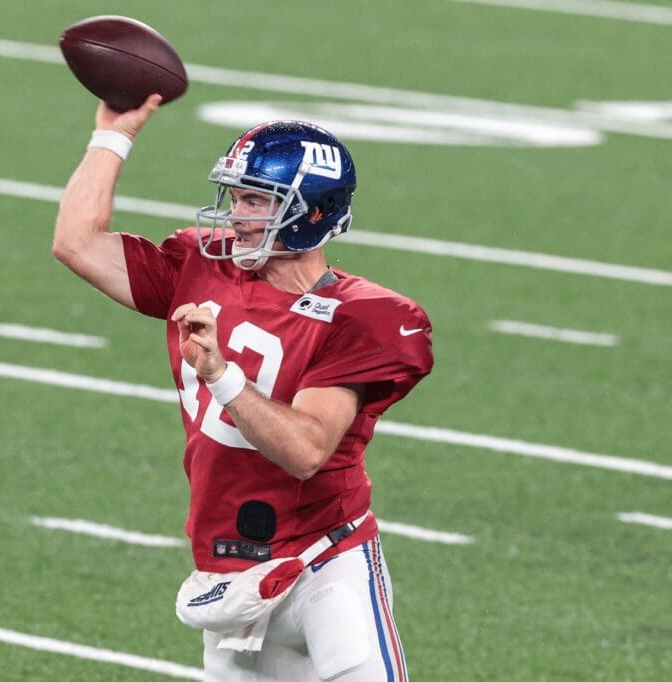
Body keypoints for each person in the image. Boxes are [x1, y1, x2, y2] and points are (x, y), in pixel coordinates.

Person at [53, 94, 433, 682]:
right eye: (236, 196)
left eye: (256, 200)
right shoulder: (201, 266)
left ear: (309, 213)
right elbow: (77, 242)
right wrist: (112, 134)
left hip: (323, 562)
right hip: (227, 570)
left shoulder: (363, 316)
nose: (235, 215)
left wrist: (221, 375)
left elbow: (306, 450)